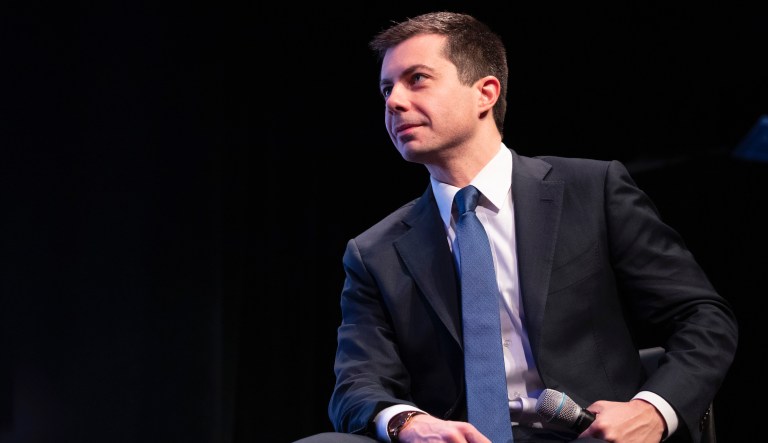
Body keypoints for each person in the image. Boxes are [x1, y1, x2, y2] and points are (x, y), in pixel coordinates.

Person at [295, 11, 738, 443]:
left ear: (485, 93)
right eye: (386, 88)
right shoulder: (374, 252)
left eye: (417, 80)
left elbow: (704, 318)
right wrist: (408, 423)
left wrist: (652, 411)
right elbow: (357, 384)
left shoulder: (591, 191)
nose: (393, 101)